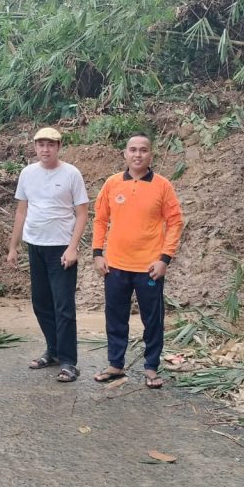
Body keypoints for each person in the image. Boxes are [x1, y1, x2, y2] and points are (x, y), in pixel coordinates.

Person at [92, 134, 184, 389]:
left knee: (152, 318)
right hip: (116, 265)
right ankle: (115, 364)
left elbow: (175, 222)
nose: (138, 155)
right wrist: (98, 253)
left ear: (150, 155)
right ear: (125, 154)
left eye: (143, 150)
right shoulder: (112, 184)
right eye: (133, 150)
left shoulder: (163, 186)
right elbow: (100, 220)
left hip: (149, 267)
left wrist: (164, 258)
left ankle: (151, 367)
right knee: (116, 316)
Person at [7, 127, 88, 383]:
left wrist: (73, 247)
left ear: (59, 147)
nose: (45, 149)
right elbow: (22, 211)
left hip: (61, 248)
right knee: (41, 302)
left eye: (50, 144)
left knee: (63, 306)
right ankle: (52, 351)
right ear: (35, 147)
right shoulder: (28, 173)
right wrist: (13, 246)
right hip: (36, 246)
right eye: (41, 144)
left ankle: (68, 361)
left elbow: (83, 213)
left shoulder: (71, 174)